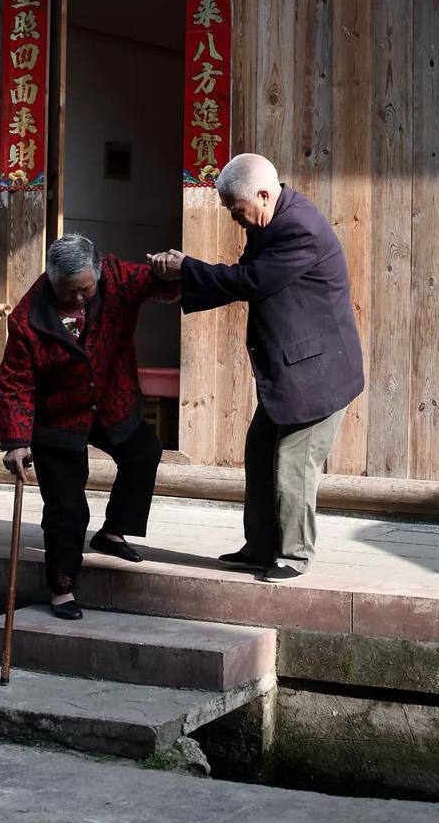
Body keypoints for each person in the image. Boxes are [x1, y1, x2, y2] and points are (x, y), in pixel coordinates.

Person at [149, 153, 364, 582]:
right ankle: (260, 547)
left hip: (317, 375)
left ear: (263, 194)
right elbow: (247, 274)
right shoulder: (272, 220)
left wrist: (186, 268)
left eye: (235, 208)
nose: (233, 217)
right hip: (294, 372)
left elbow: (252, 282)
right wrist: (185, 288)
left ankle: (294, 555)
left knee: (293, 462)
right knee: (260, 451)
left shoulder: (297, 228)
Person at [0, 233, 179, 619]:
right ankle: (61, 588)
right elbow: (15, 382)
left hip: (113, 400)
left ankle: (113, 532)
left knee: (144, 451)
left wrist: (171, 270)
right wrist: (16, 440)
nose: (78, 299)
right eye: (69, 292)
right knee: (67, 508)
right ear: (51, 279)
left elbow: (159, 286)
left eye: (85, 290)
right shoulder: (27, 320)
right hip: (58, 417)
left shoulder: (116, 276)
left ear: (97, 274)